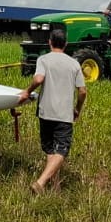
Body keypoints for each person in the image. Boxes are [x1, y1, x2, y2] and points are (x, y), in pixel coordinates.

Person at [17, 28, 87, 193]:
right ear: (66, 44)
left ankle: (56, 187)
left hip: (45, 112)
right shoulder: (74, 64)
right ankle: (41, 183)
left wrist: (27, 91)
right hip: (64, 114)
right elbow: (83, 91)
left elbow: (39, 78)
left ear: (50, 42)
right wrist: (77, 109)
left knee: (50, 149)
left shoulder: (43, 59)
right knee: (61, 149)